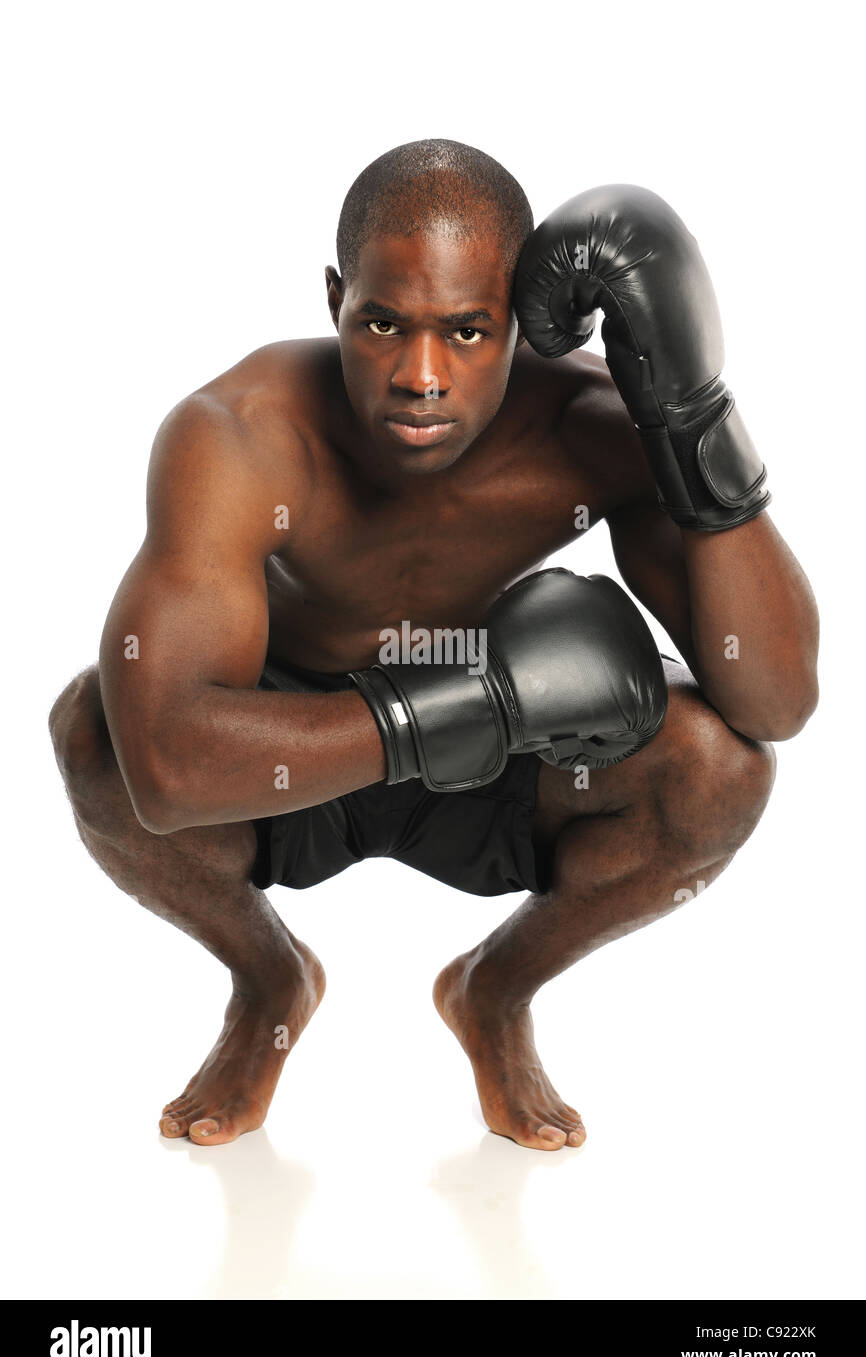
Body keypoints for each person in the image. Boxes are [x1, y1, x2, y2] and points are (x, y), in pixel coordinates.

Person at [49, 139, 818, 1151]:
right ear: (334, 298)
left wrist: (690, 413)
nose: (420, 377)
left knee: (719, 770)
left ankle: (493, 991)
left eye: (466, 330)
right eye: (383, 324)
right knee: (97, 732)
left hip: (492, 763)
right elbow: (164, 770)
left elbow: (773, 701)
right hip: (288, 751)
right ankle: (268, 978)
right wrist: (451, 707)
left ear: (517, 325)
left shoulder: (592, 427)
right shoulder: (236, 436)